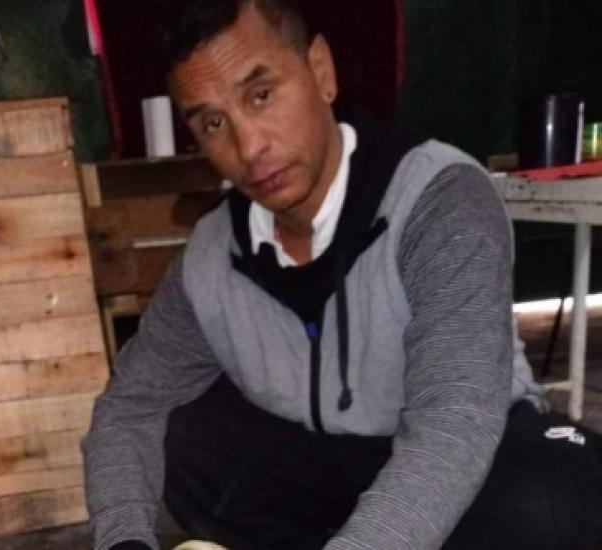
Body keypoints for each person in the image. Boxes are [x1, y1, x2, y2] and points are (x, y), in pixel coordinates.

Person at [82, 1, 602, 549]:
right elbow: (129, 408)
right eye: (214, 122)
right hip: (323, 474)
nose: (249, 147)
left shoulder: (437, 198)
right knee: (183, 434)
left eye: (262, 95)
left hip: (464, 458)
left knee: (563, 498)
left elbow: (455, 420)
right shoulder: (211, 256)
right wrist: (124, 542)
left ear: (321, 71)